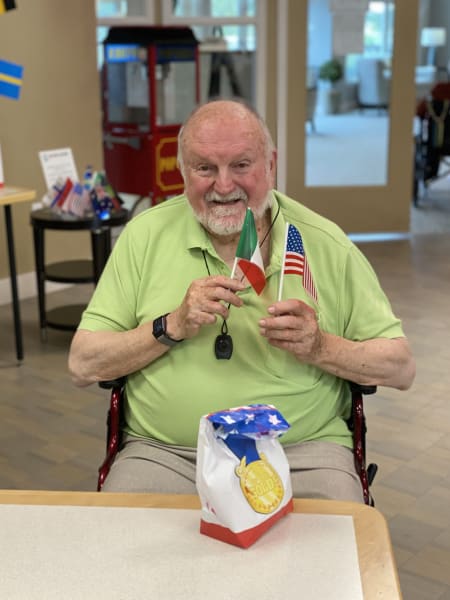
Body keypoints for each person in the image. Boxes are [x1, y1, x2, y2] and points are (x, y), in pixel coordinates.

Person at [68, 99, 415, 502]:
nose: (224, 185)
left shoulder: (324, 242)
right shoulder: (143, 236)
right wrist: (171, 326)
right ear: (182, 170)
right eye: (204, 168)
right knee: (118, 548)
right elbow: (81, 364)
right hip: (167, 453)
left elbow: (401, 368)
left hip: (301, 453)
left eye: (241, 165)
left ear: (270, 164)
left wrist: (320, 347)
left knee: (332, 553)